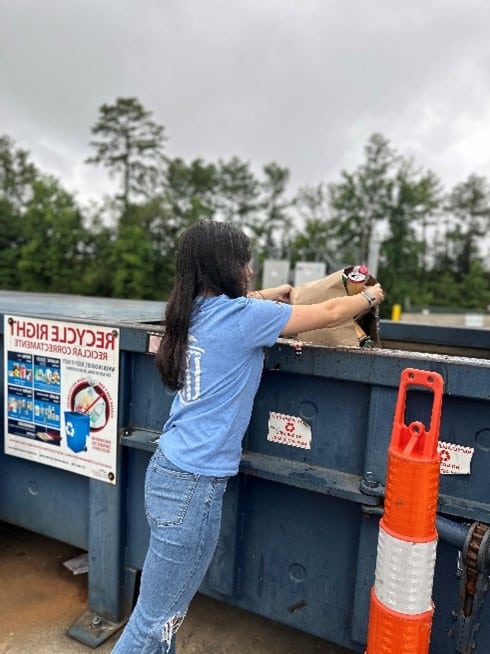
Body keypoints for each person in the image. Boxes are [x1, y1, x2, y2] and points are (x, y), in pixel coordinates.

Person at [111, 220, 384, 654]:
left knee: (164, 615)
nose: (251, 271)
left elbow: (240, 307)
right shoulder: (244, 319)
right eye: (245, 263)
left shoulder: (188, 313)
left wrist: (267, 294)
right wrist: (371, 295)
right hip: (193, 489)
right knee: (155, 622)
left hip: (166, 472)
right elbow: (332, 313)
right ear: (224, 267)